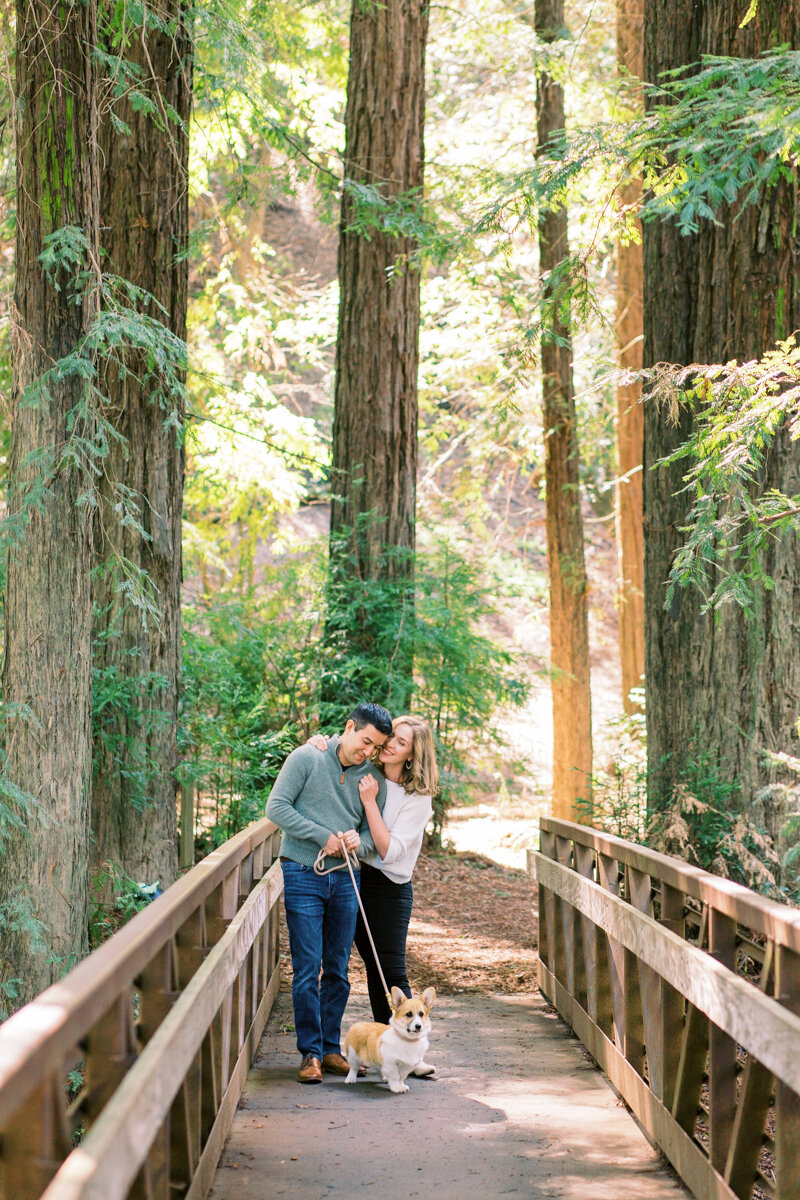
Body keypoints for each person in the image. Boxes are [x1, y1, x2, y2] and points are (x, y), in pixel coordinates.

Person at [266, 701, 392, 1084]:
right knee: (307, 968)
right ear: (350, 726)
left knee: (337, 969)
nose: (368, 752)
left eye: (375, 747)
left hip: (345, 879)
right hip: (303, 871)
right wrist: (324, 836)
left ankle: (331, 1048)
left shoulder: (374, 781)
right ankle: (310, 1054)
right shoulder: (307, 757)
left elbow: (373, 837)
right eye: (365, 741)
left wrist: (358, 840)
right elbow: (276, 807)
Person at [308, 714, 438, 1076]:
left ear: (412, 756)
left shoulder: (418, 800)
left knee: (388, 971)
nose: (389, 746)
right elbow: (342, 751)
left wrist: (369, 803)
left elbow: (388, 851)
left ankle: (410, 1054)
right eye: (390, 738)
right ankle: (331, 1050)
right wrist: (317, 743)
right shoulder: (370, 770)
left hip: (390, 890)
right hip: (353, 878)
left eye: (400, 743)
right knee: (346, 964)